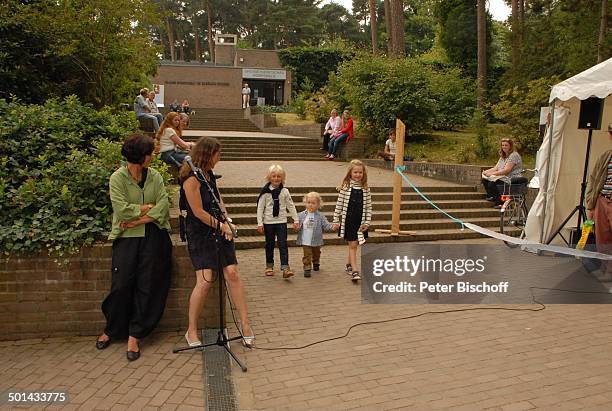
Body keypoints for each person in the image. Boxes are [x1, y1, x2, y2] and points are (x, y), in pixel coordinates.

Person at [96, 134, 172, 361]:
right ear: (141, 156)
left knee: (147, 284)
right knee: (121, 284)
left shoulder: (155, 176)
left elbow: (163, 206)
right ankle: (112, 329)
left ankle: (135, 335)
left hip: (153, 237)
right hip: (127, 237)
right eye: (150, 153)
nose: (153, 156)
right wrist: (147, 209)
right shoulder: (117, 179)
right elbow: (121, 210)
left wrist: (139, 218)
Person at [180, 137, 255, 348]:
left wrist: (227, 221)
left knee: (232, 273)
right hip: (200, 233)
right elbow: (197, 212)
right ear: (207, 154)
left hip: (218, 227)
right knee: (205, 281)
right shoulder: (191, 178)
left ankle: (245, 324)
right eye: (217, 154)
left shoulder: (208, 174)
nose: (219, 158)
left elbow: (218, 200)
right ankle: (191, 330)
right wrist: (220, 226)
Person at [256, 164, 299, 278]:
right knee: (269, 244)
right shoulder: (265, 192)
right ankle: (269, 266)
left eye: (279, 176)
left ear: (282, 178)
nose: (276, 179)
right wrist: (260, 223)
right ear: (269, 177)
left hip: (281, 222)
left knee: (283, 244)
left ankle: (285, 267)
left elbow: (291, 206)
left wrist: (296, 219)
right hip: (268, 223)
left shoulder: (285, 191)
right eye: (273, 176)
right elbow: (260, 208)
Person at [333, 160, 372, 281]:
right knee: (353, 245)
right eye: (355, 172)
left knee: (354, 244)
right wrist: (335, 220)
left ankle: (349, 264)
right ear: (350, 173)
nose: (358, 174)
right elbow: (339, 205)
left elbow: (368, 207)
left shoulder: (366, 189)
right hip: (349, 221)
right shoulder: (345, 188)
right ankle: (355, 271)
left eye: (360, 172)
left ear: (363, 174)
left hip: (360, 222)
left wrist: (367, 222)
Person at [586, 123, 612, 280]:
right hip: (602, 200)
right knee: (603, 238)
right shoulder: (606, 155)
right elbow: (594, 180)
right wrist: (591, 204)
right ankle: (607, 271)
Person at [296, 192, 337, 277]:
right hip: (305, 239)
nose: (310, 205)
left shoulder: (320, 216)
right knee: (307, 255)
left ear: (318, 205)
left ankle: (316, 261)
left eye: (313, 203)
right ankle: (307, 268)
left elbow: (326, 225)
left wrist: (333, 227)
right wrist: (296, 227)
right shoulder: (301, 215)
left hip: (316, 239)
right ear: (305, 203)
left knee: (316, 253)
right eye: (308, 202)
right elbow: (297, 226)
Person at [481, 138, 523, 207]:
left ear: (510, 146)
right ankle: (493, 197)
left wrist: (491, 174)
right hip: (502, 177)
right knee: (485, 180)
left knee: (492, 184)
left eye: (506, 145)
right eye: (502, 145)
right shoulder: (503, 156)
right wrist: (486, 172)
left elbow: (507, 170)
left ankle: (501, 202)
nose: (504, 147)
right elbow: (496, 168)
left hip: (511, 178)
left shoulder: (514, 155)